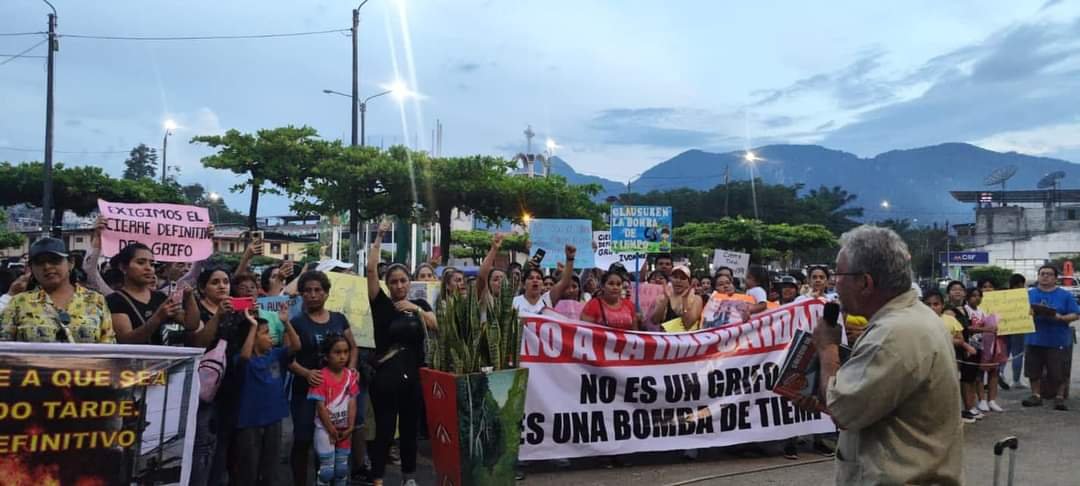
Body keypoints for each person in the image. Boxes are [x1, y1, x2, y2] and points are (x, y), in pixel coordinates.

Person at [797, 225, 963, 485]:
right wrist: (821, 393)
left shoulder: (893, 333)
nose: (833, 283)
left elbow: (843, 411)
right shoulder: (914, 317)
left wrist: (827, 348)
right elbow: (874, 397)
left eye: (837, 274)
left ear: (865, 282)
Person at [367, 221, 436, 486]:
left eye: (403, 281)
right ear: (387, 284)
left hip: (414, 377)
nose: (398, 285)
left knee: (409, 429)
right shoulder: (381, 305)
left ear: (409, 282)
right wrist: (380, 237)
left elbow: (437, 324)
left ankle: (409, 477)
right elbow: (371, 270)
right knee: (385, 430)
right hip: (386, 377)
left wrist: (415, 309)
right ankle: (378, 478)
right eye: (393, 282)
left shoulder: (419, 303)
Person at [288, 271, 357, 486]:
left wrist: (350, 374)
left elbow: (353, 347)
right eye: (307, 291)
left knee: (332, 442)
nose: (313, 294)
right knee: (303, 441)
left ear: (327, 293)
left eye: (318, 290)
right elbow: (287, 358)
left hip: (336, 396)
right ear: (301, 294)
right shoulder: (296, 322)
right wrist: (306, 373)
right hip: (306, 394)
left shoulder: (339, 319)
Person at [1, 237, 115, 344]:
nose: (47, 266)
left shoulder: (95, 300)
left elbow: (108, 347)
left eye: (54, 260)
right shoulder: (19, 302)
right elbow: (5, 348)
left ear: (71, 263)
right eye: (39, 262)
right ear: (31, 268)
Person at [233, 306, 301, 486]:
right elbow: (245, 357)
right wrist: (253, 325)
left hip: (273, 419)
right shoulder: (242, 359)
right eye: (265, 333)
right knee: (249, 468)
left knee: (270, 468)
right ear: (253, 338)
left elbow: (296, 345)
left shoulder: (276, 355)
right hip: (250, 422)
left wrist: (286, 322)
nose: (270, 336)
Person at [107, 243, 199, 345]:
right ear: (123, 267)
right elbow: (126, 340)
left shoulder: (160, 297)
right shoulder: (115, 300)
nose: (148, 268)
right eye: (141, 263)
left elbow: (191, 325)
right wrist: (158, 317)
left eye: (151, 264)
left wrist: (190, 298)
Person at [1022, 264, 1079, 411]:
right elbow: (1019, 314)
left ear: (1055, 278)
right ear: (1038, 276)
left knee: (1059, 370)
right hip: (1034, 338)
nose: (1045, 276)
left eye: (1049, 274)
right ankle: (1036, 395)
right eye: (1042, 274)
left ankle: (1059, 397)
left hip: (1058, 339)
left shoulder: (1065, 295)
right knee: (1033, 369)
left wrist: (1061, 318)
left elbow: (1076, 314)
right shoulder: (1029, 294)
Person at [309, 334, 360, 486]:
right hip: (325, 430)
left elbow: (352, 402)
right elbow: (320, 407)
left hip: (345, 430)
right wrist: (331, 430)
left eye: (346, 352)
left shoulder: (351, 376)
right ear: (326, 355)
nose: (343, 356)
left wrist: (350, 428)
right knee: (326, 472)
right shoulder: (320, 377)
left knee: (341, 470)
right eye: (337, 352)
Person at [943, 281, 983, 422]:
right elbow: (954, 332)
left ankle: (969, 407)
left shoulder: (964, 309)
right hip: (955, 349)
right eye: (953, 289)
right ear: (948, 293)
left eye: (960, 289)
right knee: (957, 380)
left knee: (968, 378)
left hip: (965, 347)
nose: (957, 292)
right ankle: (959, 411)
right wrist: (966, 346)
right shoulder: (948, 310)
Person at [967, 286, 1005, 413]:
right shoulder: (966, 310)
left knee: (993, 371)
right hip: (973, 346)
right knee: (979, 374)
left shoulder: (982, 311)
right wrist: (986, 329)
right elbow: (968, 328)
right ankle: (981, 399)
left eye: (979, 296)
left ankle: (992, 400)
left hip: (988, 345)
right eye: (973, 295)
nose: (976, 298)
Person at [651, 265, 703, 331]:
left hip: (686, 339)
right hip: (665, 338)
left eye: (683, 278)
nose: (678, 280)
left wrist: (685, 300)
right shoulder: (663, 296)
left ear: (688, 282)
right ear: (670, 279)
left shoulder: (696, 299)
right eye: (675, 277)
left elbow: (688, 324)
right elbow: (655, 321)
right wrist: (665, 300)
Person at [1004, 273, 1027, 388]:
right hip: (1019, 328)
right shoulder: (1024, 295)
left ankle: (1000, 374)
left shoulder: (1003, 295)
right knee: (1017, 354)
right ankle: (1016, 380)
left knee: (1003, 353)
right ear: (1021, 284)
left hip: (1004, 327)